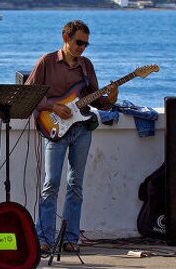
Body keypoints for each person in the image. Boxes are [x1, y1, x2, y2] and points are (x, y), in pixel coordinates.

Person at [25, 20, 118, 254]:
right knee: (51, 184)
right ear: (66, 38)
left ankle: (70, 238)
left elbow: (97, 100)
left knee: (75, 184)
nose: (82, 48)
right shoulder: (46, 62)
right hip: (54, 128)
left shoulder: (86, 66)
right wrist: (54, 107)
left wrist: (111, 98)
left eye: (86, 44)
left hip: (81, 129)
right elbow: (28, 94)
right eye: (78, 42)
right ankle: (44, 237)